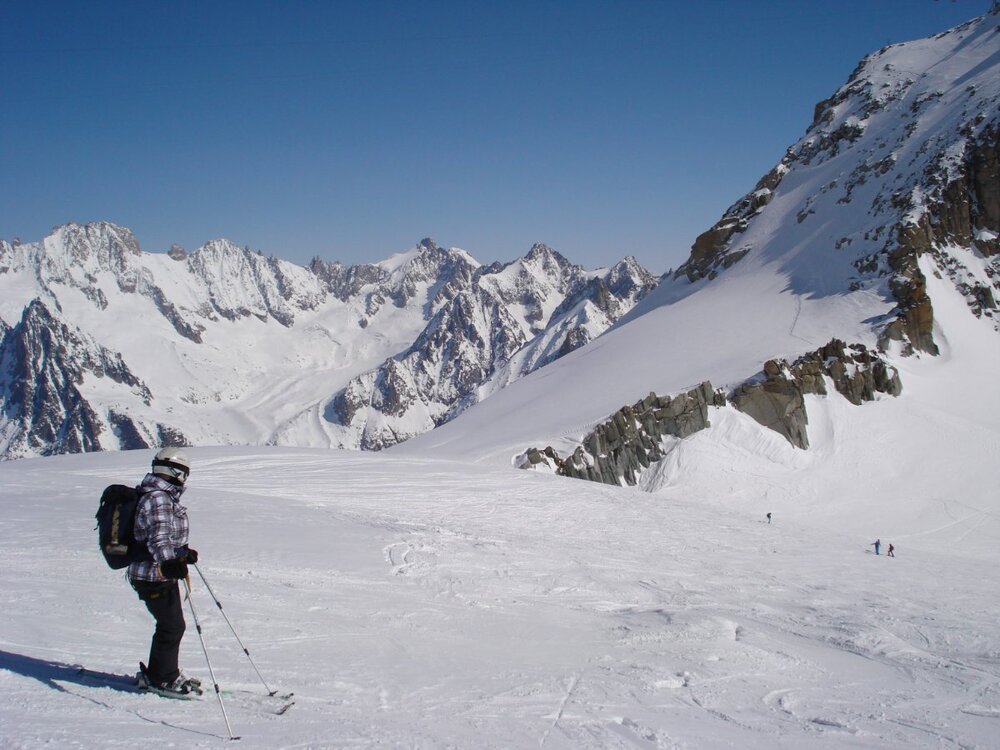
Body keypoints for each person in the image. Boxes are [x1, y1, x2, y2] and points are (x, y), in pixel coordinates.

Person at [128, 448, 203, 697]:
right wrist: (170, 561)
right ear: (175, 471)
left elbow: (164, 536)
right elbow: (159, 538)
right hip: (153, 575)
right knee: (172, 626)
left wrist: (182, 553)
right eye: (184, 473)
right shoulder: (158, 498)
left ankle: (164, 671)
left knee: (171, 625)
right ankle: (161, 677)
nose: (184, 479)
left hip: (159, 572)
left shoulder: (159, 495)